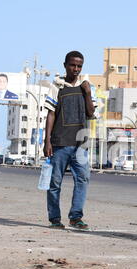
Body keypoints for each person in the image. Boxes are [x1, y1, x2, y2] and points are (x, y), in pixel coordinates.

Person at [43, 51, 95, 230]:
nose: (76, 69)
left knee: (82, 179)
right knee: (55, 182)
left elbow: (90, 113)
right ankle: (55, 219)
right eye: (73, 65)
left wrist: (88, 93)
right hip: (60, 143)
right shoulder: (57, 87)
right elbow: (50, 115)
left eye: (79, 66)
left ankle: (76, 217)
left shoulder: (86, 86)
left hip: (81, 144)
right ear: (65, 65)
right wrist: (47, 141)